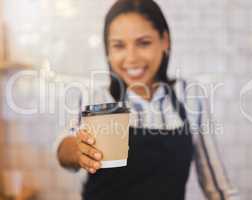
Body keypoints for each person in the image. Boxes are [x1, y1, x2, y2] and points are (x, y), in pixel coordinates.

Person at [56, 0, 239, 199]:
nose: (131, 58)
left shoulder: (189, 96)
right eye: (119, 46)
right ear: (108, 51)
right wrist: (79, 151)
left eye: (144, 43)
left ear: (165, 41)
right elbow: (65, 148)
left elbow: (218, 187)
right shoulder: (98, 98)